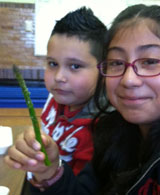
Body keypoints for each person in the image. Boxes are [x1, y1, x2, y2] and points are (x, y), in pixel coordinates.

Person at [4, 4, 160, 195]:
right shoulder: (115, 132)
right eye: (116, 62)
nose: (129, 79)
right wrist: (51, 173)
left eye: (149, 62)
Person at [37, 6, 106, 175]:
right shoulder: (58, 97)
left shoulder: (102, 129)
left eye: (75, 66)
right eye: (53, 64)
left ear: (104, 69)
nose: (59, 77)